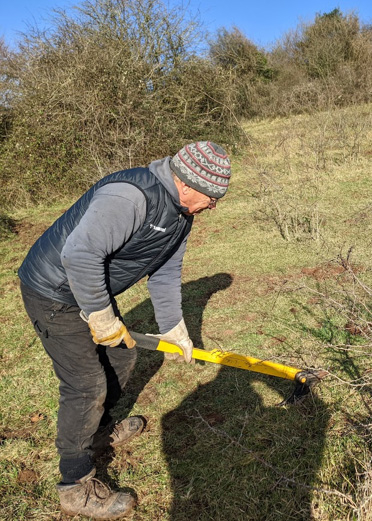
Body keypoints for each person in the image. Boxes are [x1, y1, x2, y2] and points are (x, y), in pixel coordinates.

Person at [19, 141, 231, 520]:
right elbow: (79, 254)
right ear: (187, 183)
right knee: (85, 383)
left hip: (88, 288)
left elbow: (165, 273)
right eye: (212, 197)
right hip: (53, 290)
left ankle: (98, 431)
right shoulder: (131, 197)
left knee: (122, 353)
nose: (214, 205)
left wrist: (174, 328)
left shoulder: (182, 214)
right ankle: (75, 484)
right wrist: (101, 316)